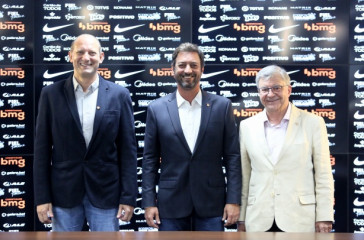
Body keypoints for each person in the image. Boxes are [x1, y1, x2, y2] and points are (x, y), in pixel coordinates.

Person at [33, 34, 137, 231]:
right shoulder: (50, 95)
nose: (86, 57)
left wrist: (128, 196)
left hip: (106, 193)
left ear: (101, 57)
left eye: (91, 52)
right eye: (80, 52)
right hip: (63, 194)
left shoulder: (119, 95)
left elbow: (128, 151)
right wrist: (42, 198)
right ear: (70, 56)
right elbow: (42, 152)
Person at [141, 42, 241, 231]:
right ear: (172, 69)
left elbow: (232, 158)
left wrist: (233, 200)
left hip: (212, 205)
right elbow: (149, 161)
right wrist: (148, 202)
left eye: (194, 65)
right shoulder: (156, 109)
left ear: (202, 69)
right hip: (170, 206)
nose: (188, 70)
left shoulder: (222, 106)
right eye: (182, 65)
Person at [238, 65, 334, 232]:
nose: (270, 94)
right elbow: (245, 177)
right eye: (265, 89)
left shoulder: (313, 123)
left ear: (288, 90)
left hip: (299, 220)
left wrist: (324, 217)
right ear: (259, 92)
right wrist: (242, 218)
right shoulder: (247, 126)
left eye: (276, 87)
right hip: (258, 220)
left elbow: (323, 174)